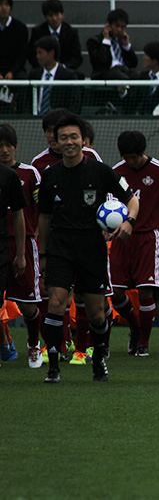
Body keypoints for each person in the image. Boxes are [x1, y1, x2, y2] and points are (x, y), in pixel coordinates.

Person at [38, 115, 139, 384]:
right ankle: (54, 367)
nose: (69, 142)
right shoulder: (50, 176)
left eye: (74, 137)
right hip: (60, 247)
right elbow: (44, 219)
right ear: (56, 142)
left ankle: (98, 359)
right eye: (63, 138)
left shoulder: (101, 171)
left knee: (96, 312)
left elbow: (132, 200)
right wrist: (43, 255)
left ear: (83, 140)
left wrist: (129, 221)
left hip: (92, 247)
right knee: (56, 303)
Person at [109, 130, 159, 358]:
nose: (130, 161)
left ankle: (144, 342)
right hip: (120, 239)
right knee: (116, 293)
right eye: (126, 157)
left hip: (148, 237)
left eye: (134, 157)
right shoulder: (116, 172)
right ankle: (135, 327)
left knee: (146, 292)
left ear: (143, 151)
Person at [0, 124, 41, 368]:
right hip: (1, 242)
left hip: (22, 243)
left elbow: (35, 211)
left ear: (16, 146)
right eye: (0, 146)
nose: (4, 150)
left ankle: (34, 345)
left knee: (28, 305)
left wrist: (28, 249)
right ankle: (5, 346)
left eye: (8, 145)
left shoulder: (30, 174)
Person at [31, 109, 103, 175]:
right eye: (48, 131)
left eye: (55, 130)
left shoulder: (90, 154)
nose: (52, 136)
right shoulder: (38, 162)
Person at [27, 0, 83, 73]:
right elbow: (32, 55)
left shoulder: (71, 32)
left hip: (65, 69)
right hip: (43, 69)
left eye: (57, 15)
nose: (54, 18)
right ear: (45, 17)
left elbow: (77, 58)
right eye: (50, 15)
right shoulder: (38, 31)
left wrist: (62, 67)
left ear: (62, 15)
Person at [29, 36, 77, 115]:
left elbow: (73, 105)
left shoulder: (68, 76)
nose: (37, 56)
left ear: (51, 53)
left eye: (40, 53)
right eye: (37, 53)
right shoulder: (34, 75)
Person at [86, 8, 137, 79]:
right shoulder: (94, 41)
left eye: (122, 27)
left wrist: (127, 46)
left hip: (123, 70)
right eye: (117, 26)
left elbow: (133, 64)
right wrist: (106, 41)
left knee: (139, 76)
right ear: (109, 25)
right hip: (106, 72)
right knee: (121, 77)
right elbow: (102, 62)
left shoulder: (121, 41)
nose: (119, 30)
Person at [134, 41, 159, 116]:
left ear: (155, 60)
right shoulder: (141, 78)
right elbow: (132, 102)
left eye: (147, 55)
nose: (144, 58)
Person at [0, 0, 28, 80]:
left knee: (23, 79)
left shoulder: (20, 28)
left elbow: (22, 55)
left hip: (15, 70)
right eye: (0, 4)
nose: (3, 8)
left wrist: (12, 72)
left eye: (7, 5)